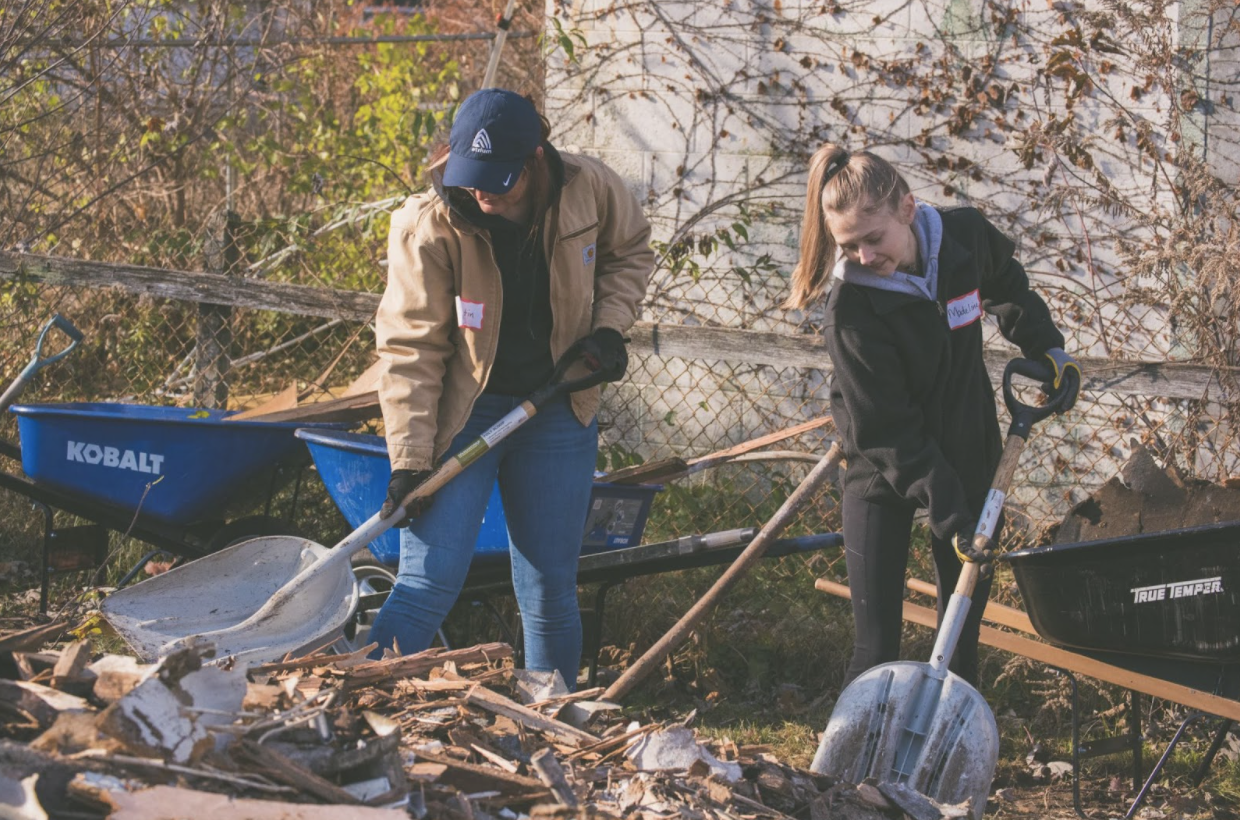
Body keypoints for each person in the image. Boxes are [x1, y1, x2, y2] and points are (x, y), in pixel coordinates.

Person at [370, 88, 654, 687]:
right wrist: (411, 460)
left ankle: (549, 720)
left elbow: (629, 251)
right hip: (463, 415)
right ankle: (355, 707)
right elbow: (411, 348)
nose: (483, 195)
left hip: (556, 406)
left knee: (549, 588)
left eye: (498, 181)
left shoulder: (589, 187)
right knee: (427, 581)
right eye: (473, 179)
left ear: (535, 160)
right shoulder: (430, 223)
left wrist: (608, 327)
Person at [786, 144, 1081, 688]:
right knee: (876, 650)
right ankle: (854, 745)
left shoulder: (964, 236)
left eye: (873, 238)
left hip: (968, 451)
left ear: (907, 208)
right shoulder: (851, 312)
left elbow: (1007, 282)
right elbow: (886, 430)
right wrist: (952, 516)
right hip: (883, 467)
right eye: (848, 246)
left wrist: (1047, 347)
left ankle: (943, 740)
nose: (864, 256)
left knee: (958, 642)